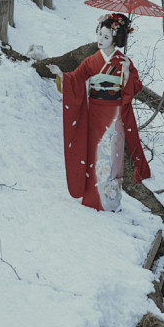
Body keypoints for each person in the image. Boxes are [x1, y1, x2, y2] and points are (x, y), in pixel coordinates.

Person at [48, 13, 150, 211]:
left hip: (114, 115)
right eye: (99, 35)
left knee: (112, 155)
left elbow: (134, 88)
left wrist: (127, 72)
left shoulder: (123, 62)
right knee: (95, 155)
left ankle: (110, 201)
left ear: (116, 39)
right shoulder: (91, 61)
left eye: (106, 37)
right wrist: (60, 74)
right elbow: (75, 79)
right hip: (94, 113)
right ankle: (93, 199)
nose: (100, 41)